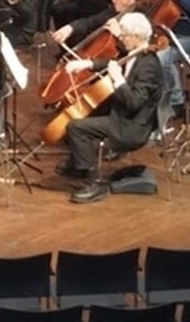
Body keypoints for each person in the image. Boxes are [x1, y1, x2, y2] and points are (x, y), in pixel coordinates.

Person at [56, 12, 164, 203]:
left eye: (124, 35)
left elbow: (134, 102)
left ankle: (95, 183)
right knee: (86, 111)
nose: (120, 38)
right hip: (122, 114)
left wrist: (119, 80)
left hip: (132, 127)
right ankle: (78, 164)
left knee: (76, 128)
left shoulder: (149, 66)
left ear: (137, 37)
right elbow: (114, 63)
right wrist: (87, 63)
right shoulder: (136, 53)